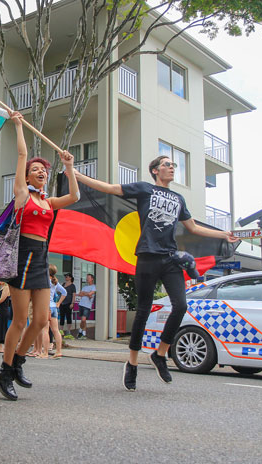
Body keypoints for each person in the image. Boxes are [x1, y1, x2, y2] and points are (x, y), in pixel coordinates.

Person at [74, 155, 238, 390]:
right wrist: (78, 176)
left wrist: (223, 234)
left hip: (170, 258)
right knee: (143, 310)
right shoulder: (144, 189)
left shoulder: (179, 198)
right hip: (147, 257)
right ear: (154, 171)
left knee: (181, 305)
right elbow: (111, 188)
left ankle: (160, 354)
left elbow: (192, 227)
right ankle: (131, 363)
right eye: (166, 165)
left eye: (173, 165)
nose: (171, 168)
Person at [0, 111, 79, 401]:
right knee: (19, 320)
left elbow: (75, 197)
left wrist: (68, 167)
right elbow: (22, 154)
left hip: (41, 258)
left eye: (44, 170)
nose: (41, 172)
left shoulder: (48, 201)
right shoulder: (22, 195)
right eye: (36, 169)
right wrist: (18, 125)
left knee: (41, 320)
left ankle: (16, 363)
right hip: (22, 256)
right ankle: (5, 369)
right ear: (27, 176)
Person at [44, 265, 66, 359]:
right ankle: (58, 351)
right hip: (53, 307)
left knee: (45, 330)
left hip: (45, 306)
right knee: (55, 330)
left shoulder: (44, 281)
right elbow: (64, 292)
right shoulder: (55, 282)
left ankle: (44, 353)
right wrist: (58, 303)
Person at [76, 274, 96, 339]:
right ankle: (84, 332)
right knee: (83, 320)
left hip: (87, 305)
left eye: (88, 278)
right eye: (87, 277)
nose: (87, 279)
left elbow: (91, 294)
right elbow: (80, 294)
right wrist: (87, 294)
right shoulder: (84, 287)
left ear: (92, 279)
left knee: (83, 319)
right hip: (81, 304)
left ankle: (80, 331)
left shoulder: (94, 287)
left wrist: (85, 293)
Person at [59, 273, 76, 338]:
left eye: (67, 276)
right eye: (65, 276)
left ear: (70, 278)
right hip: (62, 303)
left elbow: (74, 295)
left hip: (68, 303)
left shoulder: (72, 286)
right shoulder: (63, 284)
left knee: (68, 316)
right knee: (62, 316)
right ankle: (61, 330)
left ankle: (68, 331)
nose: (66, 278)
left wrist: (72, 303)